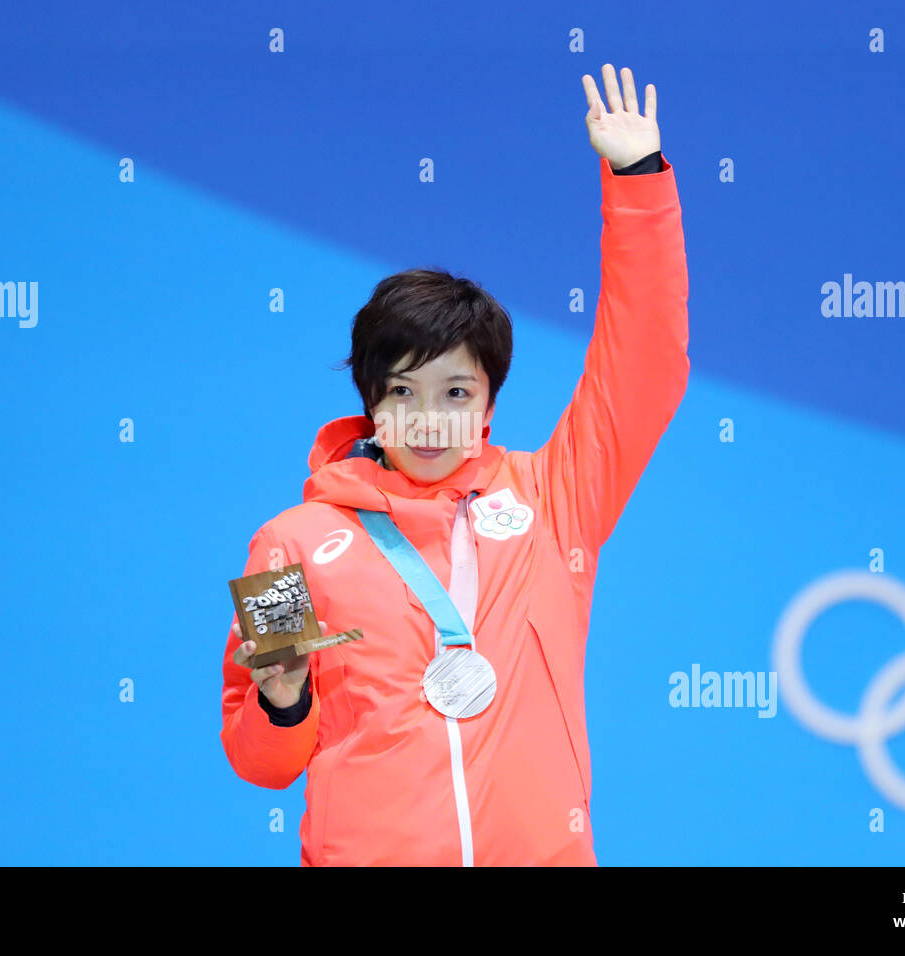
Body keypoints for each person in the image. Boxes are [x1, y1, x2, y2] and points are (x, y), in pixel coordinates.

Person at [220, 63, 689, 865]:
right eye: (402, 390)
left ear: (490, 401)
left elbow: (644, 361)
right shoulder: (286, 547)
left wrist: (636, 180)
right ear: (370, 401)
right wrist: (285, 697)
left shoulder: (554, 499)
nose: (429, 417)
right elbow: (261, 764)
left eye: (456, 390)